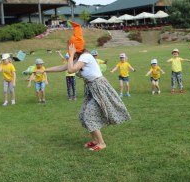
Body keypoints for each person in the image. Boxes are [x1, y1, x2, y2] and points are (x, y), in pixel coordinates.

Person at [43, 21, 131, 151]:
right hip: (90, 87)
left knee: (89, 114)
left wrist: (71, 54)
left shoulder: (86, 56)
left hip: (99, 86)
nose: (68, 48)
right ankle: (95, 140)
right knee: (83, 114)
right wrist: (43, 70)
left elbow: (71, 70)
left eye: (70, 46)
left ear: (75, 47)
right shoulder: (78, 58)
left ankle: (101, 143)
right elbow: (62, 67)